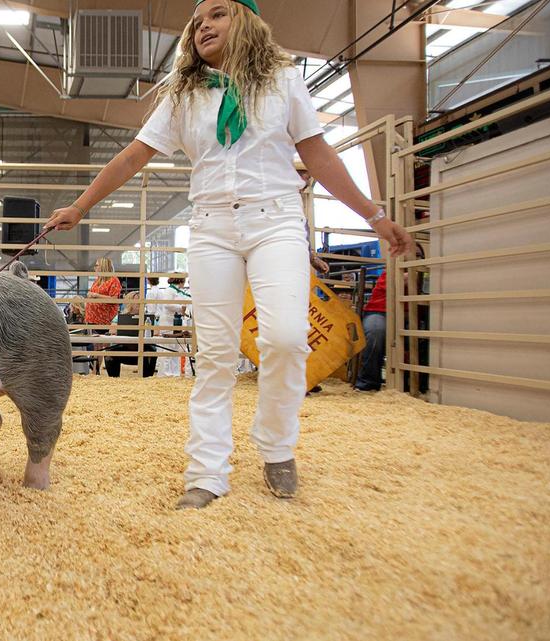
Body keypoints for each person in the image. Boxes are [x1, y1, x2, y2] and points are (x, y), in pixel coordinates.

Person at [44, 0, 413, 509]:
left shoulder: (284, 81)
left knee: (285, 338)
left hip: (276, 220)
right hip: (212, 227)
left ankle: (276, 445)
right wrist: (81, 207)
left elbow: (319, 154)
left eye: (216, 14)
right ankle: (206, 471)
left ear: (246, 21)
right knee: (215, 355)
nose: (203, 27)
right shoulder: (182, 95)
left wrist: (374, 215)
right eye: (197, 22)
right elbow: (135, 154)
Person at [355, 270, 387, 392]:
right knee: (375, 332)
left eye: (418, 255)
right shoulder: (391, 270)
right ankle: (368, 382)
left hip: (409, 315)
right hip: (379, 311)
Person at [156, 277, 193, 378]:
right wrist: (181, 307)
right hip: (168, 321)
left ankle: (174, 373)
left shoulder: (179, 291)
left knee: (176, 347)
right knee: (168, 348)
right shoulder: (169, 290)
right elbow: (167, 305)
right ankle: (166, 374)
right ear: (181, 281)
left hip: (177, 321)